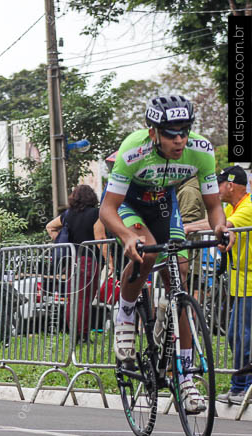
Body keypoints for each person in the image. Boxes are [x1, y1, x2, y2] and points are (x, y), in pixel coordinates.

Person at [99, 95, 231, 415]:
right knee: (143, 254)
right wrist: (128, 236)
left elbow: (214, 207)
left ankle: (185, 378)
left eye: (184, 131)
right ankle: (127, 314)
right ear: (153, 132)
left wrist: (219, 229)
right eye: (171, 133)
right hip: (129, 203)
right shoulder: (133, 149)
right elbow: (107, 208)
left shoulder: (200, 151)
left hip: (163, 204)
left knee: (180, 275)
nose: (179, 139)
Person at [191, 167, 251, 405]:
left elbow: (223, 225)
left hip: (250, 286)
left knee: (242, 336)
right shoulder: (231, 207)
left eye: (220, 183)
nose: (216, 188)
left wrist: (188, 228)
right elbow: (213, 220)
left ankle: (243, 386)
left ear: (231, 185)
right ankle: (240, 385)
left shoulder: (247, 208)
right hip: (240, 285)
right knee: (236, 336)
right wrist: (189, 226)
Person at [45, 185, 107, 342]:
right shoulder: (96, 214)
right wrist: (110, 261)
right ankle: (82, 335)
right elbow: (100, 239)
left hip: (71, 261)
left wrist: (60, 241)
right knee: (84, 300)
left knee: (73, 299)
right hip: (89, 260)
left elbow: (50, 226)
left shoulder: (67, 215)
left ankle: (74, 332)